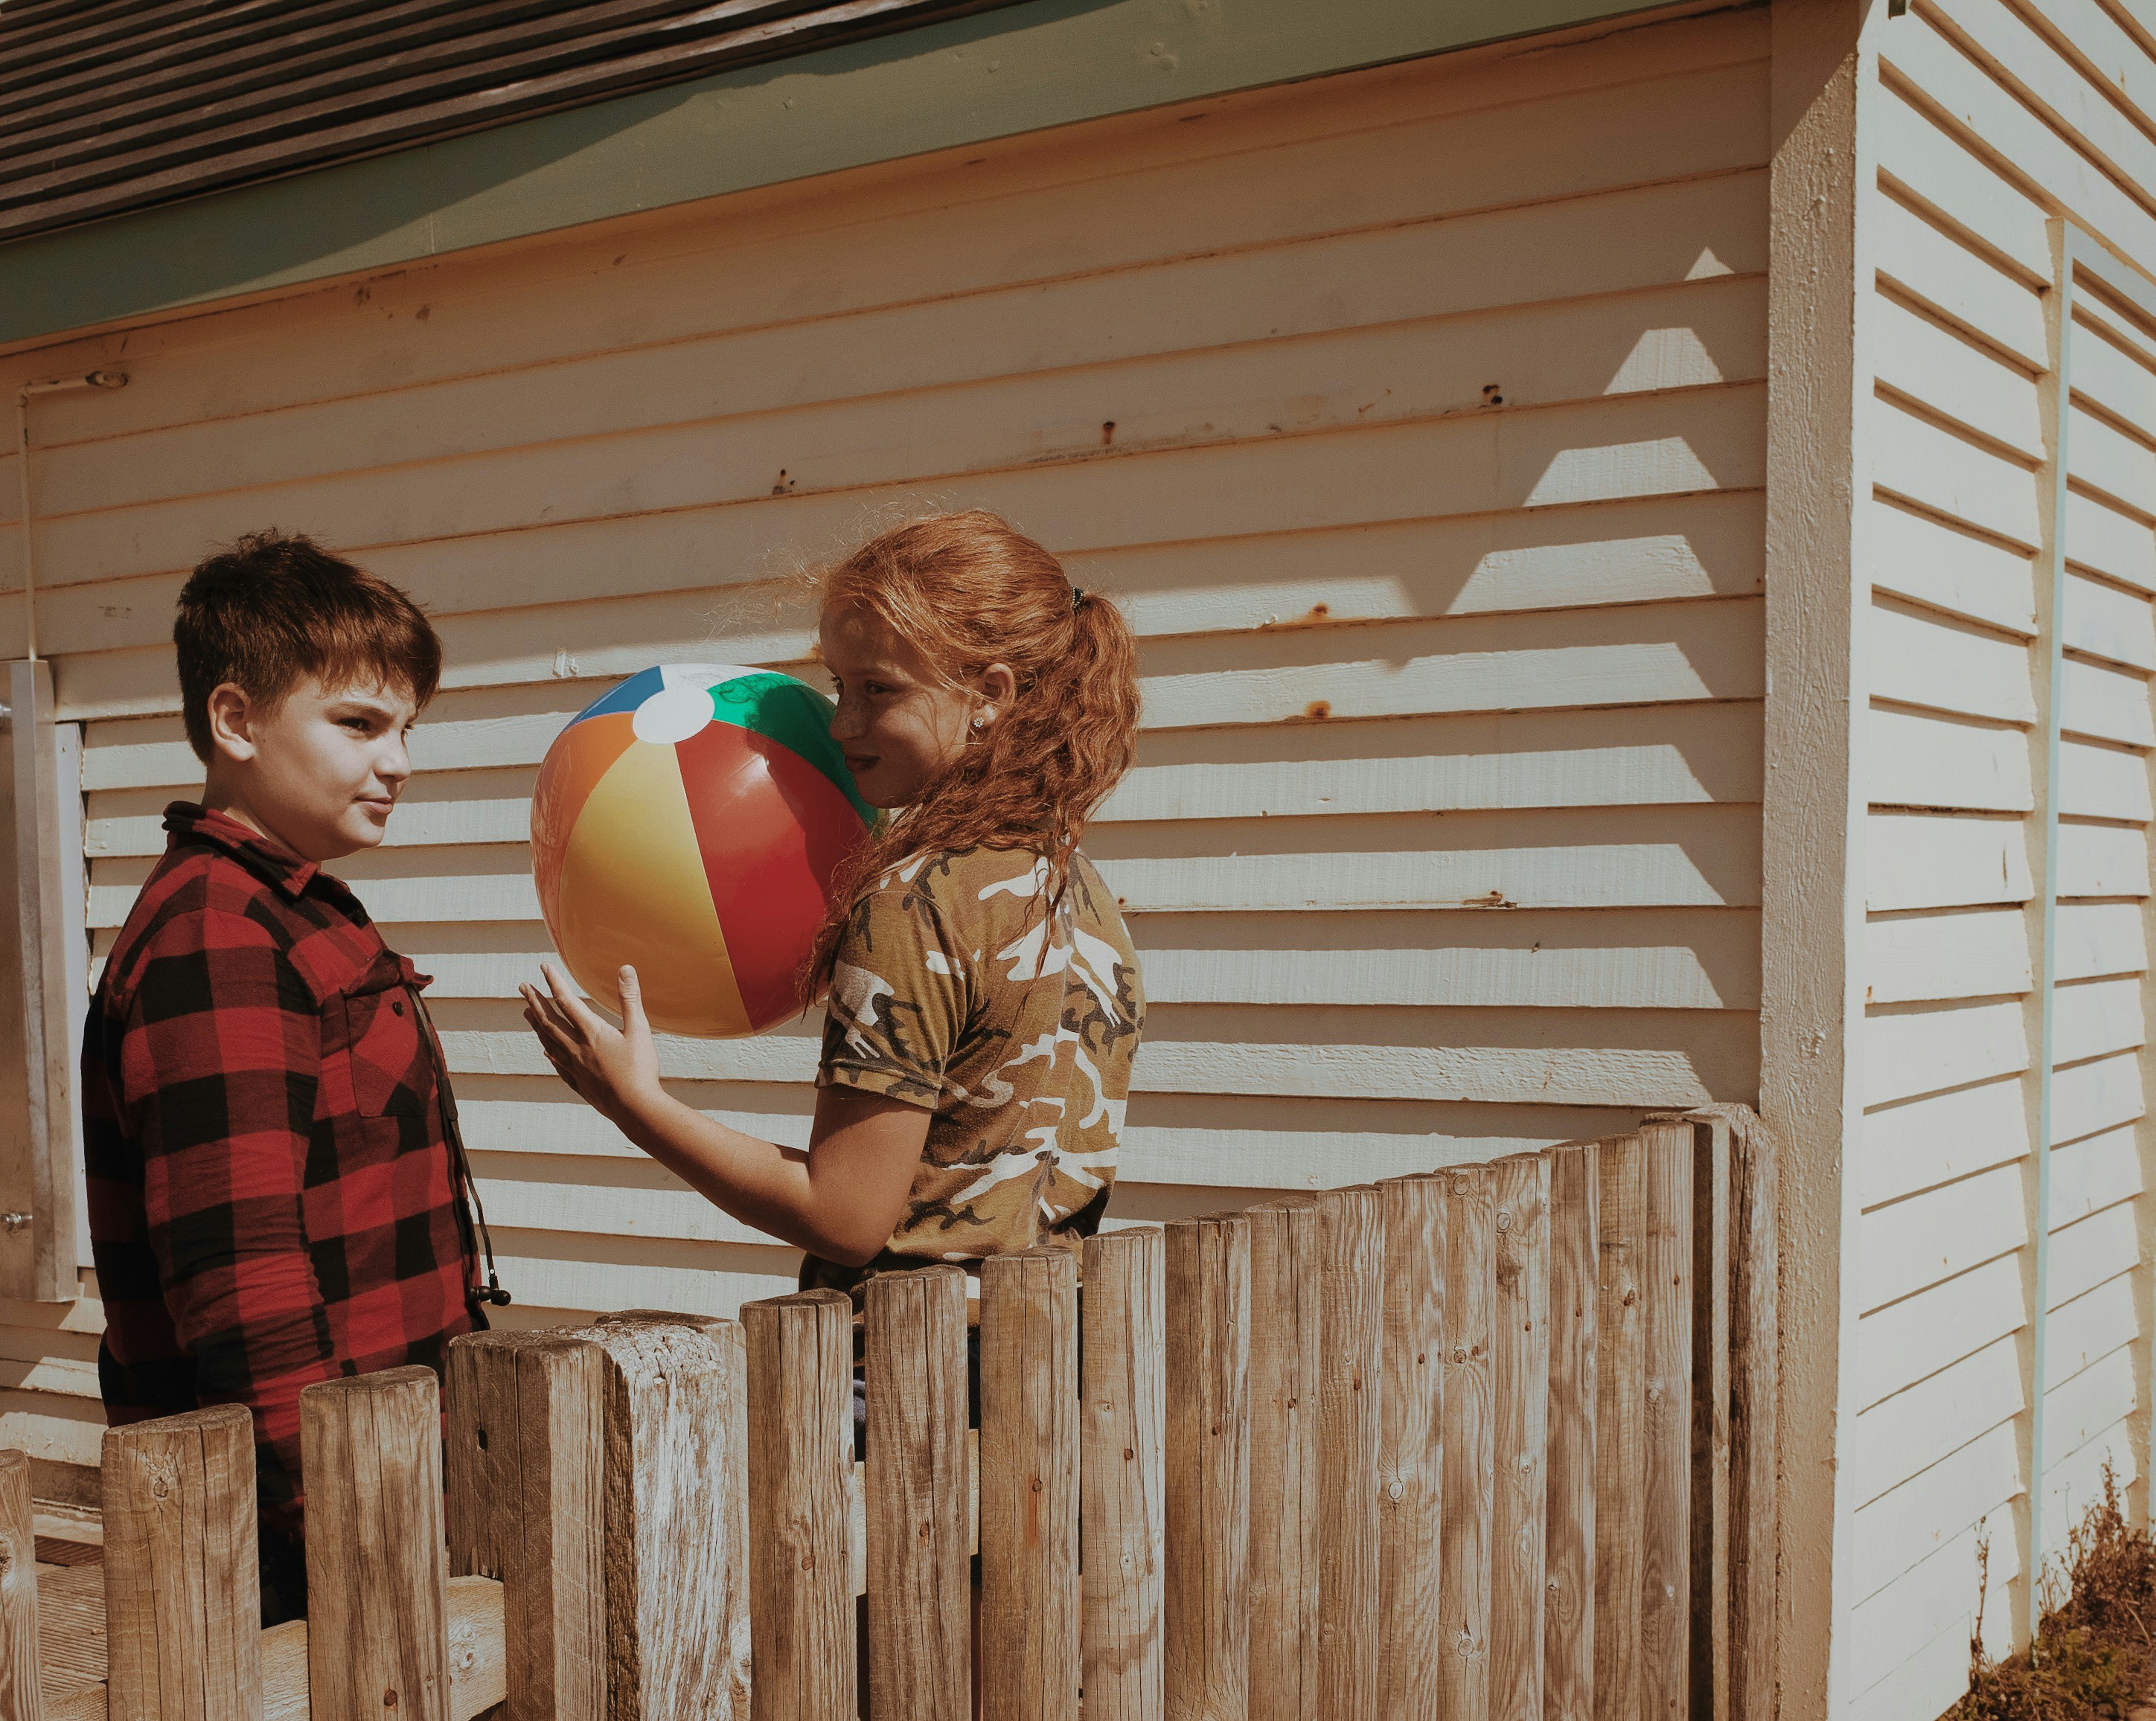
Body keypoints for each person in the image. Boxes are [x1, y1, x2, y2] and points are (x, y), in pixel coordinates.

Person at [521, 505, 1143, 1315]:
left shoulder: (911, 898)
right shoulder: (1077, 884)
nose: (842, 722)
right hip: (1050, 1358)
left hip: (900, 1375)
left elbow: (843, 1217)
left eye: (878, 689)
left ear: (988, 694)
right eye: (838, 685)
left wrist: (637, 1104)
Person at [83, 531, 504, 1625]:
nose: (398, 761)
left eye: (407, 728)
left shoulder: (299, 905)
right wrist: (348, 1530)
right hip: (291, 1547)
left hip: (376, 1484)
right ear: (235, 720)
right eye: (359, 723)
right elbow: (242, 1283)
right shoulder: (216, 932)